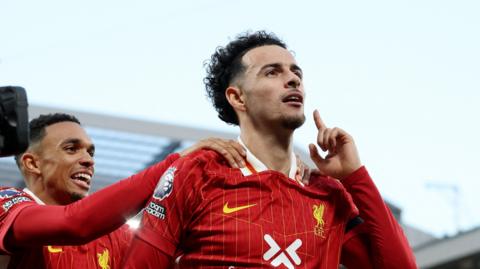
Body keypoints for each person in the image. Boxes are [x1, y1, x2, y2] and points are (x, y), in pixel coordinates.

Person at [123, 31, 417, 269]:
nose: (293, 79)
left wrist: (355, 176)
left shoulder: (328, 193)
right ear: (238, 97)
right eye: (272, 72)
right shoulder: (195, 175)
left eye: (295, 72)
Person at [0, 113, 246, 268]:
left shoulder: (117, 236)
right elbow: (74, 223)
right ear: (33, 163)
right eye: (72, 149)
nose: (88, 160)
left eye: (90, 151)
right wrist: (174, 165)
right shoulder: (7, 204)